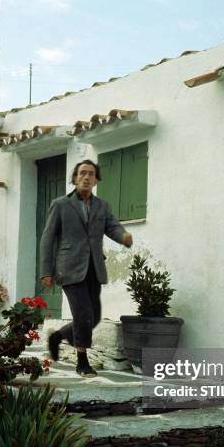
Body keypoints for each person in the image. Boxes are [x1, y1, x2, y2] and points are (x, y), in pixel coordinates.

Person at [39, 159, 133, 377]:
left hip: (94, 268)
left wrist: (124, 237)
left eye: (91, 174)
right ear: (74, 178)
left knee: (95, 317)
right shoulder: (61, 204)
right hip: (69, 268)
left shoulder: (102, 206)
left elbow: (112, 227)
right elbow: (47, 238)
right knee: (83, 315)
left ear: (96, 180)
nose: (86, 177)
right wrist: (46, 271)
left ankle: (58, 336)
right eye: (82, 173)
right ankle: (82, 362)